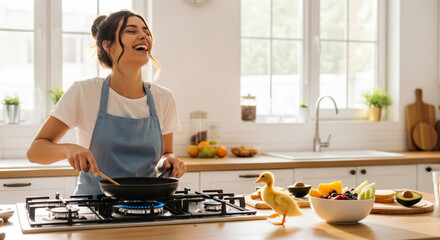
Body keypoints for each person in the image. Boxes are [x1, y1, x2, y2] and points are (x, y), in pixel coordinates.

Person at [27, 10, 186, 197]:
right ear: (109, 45)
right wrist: (68, 149)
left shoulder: (163, 98)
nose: (144, 35)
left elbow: (165, 154)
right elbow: (35, 151)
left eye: (146, 32)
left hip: (149, 207)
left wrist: (170, 161)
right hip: (93, 208)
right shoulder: (84, 92)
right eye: (131, 31)